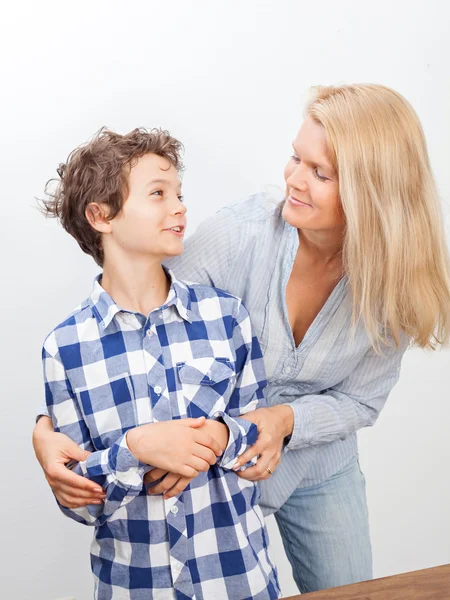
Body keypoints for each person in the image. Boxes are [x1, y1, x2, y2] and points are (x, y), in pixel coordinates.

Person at [34, 84, 450, 594]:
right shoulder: (241, 235)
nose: (294, 180)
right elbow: (135, 325)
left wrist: (281, 420)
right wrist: (49, 427)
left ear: (372, 192)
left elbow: (361, 401)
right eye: (295, 157)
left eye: (320, 173)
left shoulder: (397, 281)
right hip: (208, 479)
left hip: (317, 463)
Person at [38, 127, 280, 600]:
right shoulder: (64, 349)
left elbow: (261, 449)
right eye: (158, 194)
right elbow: (79, 501)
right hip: (134, 588)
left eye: (179, 193)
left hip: (238, 584)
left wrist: (222, 437)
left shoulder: (226, 317)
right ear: (101, 215)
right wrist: (138, 447)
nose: (180, 206)